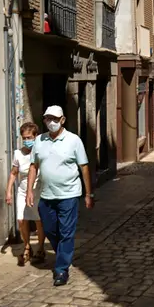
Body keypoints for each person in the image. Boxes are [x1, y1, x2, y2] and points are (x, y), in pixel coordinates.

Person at [26, 105, 94, 286]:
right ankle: (64, 254)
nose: (52, 122)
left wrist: (88, 193)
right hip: (46, 196)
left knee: (66, 232)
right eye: (48, 119)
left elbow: (84, 167)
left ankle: (61, 269)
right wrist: (29, 190)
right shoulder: (39, 140)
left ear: (63, 120)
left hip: (69, 195)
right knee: (49, 230)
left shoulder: (73, 140)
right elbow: (33, 166)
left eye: (55, 119)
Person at [5, 122, 45, 267]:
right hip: (22, 191)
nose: (27, 140)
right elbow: (13, 173)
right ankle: (27, 246)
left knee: (39, 220)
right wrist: (8, 191)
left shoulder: (41, 152)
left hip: (37, 190)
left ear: (35, 136)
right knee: (21, 220)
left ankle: (40, 248)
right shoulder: (18, 154)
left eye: (29, 137)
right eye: (24, 138)